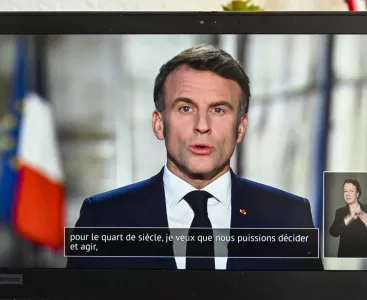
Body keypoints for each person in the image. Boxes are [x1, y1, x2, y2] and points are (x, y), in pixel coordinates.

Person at [66, 44, 323, 270]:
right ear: (159, 124)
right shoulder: (102, 218)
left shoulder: (289, 218)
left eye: (218, 109)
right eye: (185, 108)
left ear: (241, 127)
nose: (202, 125)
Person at [329, 179, 367, 258]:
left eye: (351, 191)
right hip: (345, 257)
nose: (347, 194)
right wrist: (350, 217)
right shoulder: (340, 212)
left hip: (366, 258)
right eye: (345, 191)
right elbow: (333, 232)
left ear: (357, 194)